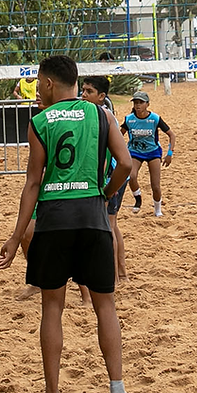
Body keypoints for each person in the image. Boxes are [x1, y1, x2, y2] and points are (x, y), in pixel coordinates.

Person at [0, 55, 137, 393]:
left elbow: (32, 183)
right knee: (106, 306)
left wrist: (15, 237)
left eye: (38, 83)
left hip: (54, 219)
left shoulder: (40, 121)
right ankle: (118, 389)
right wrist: (105, 193)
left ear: (48, 84)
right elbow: (125, 164)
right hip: (92, 216)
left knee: (52, 307)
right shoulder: (102, 115)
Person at [82, 76, 128, 282]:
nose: (83, 95)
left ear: (101, 96)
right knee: (112, 225)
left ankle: (114, 277)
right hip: (114, 175)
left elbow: (109, 156)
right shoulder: (100, 114)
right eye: (82, 90)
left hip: (112, 176)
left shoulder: (103, 117)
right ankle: (121, 274)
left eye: (88, 91)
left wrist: (106, 187)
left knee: (108, 226)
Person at [121, 91, 175, 217]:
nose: (138, 105)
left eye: (141, 102)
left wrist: (169, 153)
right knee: (131, 176)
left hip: (153, 152)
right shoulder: (129, 119)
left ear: (147, 104)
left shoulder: (154, 118)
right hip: (135, 152)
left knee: (155, 185)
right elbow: (119, 135)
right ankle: (138, 198)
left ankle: (158, 210)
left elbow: (172, 135)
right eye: (135, 103)